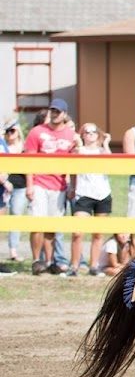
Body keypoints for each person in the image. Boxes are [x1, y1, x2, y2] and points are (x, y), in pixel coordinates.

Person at [24, 99, 77, 275]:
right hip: (39, 182)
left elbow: (75, 163)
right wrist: (30, 185)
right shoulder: (37, 132)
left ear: (64, 114)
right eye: (52, 110)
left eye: (58, 111)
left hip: (59, 184)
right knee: (38, 222)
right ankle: (36, 260)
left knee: (52, 224)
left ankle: (49, 260)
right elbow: (28, 160)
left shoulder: (70, 134)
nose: (55, 114)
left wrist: (72, 185)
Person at [70, 124, 113, 276]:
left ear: (98, 134)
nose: (90, 134)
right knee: (77, 232)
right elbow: (75, 162)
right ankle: (74, 266)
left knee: (98, 233)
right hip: (84, 194)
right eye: (86, 132)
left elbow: (110, 163)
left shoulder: (103, 150)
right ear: (82, 135)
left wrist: (106, 143)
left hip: (103, 194)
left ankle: (93, 266)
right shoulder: (79, 150)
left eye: (93, 131)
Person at [1, 119, 25, 269]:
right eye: (7, 130)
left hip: (12, 188)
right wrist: (4, 182)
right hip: (5, 187)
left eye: (12, 130)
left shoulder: (22, 146)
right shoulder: (3, 143)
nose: (9, 133)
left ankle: (13, 250)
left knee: (13, 219)